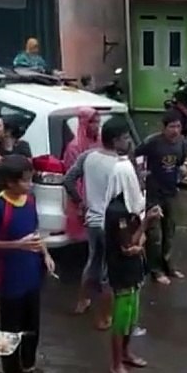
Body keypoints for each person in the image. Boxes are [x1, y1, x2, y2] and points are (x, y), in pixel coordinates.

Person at [0, 154, 55, 373]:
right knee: (9, 330)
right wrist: (17, 245)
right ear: (10, 183)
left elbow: (34, 232)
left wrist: (45, 254)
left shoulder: (31, 201)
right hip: (10, 276)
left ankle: (28, 365)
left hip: (32, 272)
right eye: (25, 180)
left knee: (32, 325)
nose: (30, 184)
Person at [62, 116, 124, 329]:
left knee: (93, 261)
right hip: (111, 223)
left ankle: (82, 302)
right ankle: (104, 318)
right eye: (126, 138)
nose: (128, 142)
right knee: (109, 270)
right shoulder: (121, 165)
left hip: (92, 221)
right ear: (116, 140)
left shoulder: (88, 156)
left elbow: (68, 180)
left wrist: (81, 203)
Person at [103, 157, 160, 373]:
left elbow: (138, 243)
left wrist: (140, 241)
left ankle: (126, 353)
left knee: (132, 316)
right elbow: (128, 247)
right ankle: (116, 364)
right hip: (122, 272)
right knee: (121, 319)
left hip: (135, 269)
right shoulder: (118, 211)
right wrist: (145, 228)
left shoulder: (130, 205)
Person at [132, 111, 187, 285]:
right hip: (154, 194)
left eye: (178, 126)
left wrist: (183, 170)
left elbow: (181, 162)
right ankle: (155, 270)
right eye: (172, 126)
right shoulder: (153, 142)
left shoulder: (181, 143)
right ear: (163, 128)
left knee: (169, 232)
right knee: (154, 234)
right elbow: (133, 154)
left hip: (171, 193)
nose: (175, 130)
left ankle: (168, 266)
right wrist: (139, 174)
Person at [61, 107, 102, 246]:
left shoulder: (101, 142)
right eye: (92, 122)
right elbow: (71, 177)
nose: (96, 126)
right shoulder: (74, 147)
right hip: (82, 197)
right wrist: (81, 201)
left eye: (98, 122)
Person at [0, 116, 33, 193]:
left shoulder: (23, 146)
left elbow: (27, 167)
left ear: (8, 131)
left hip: (17, 191)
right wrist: (15, 162)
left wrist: (1, 160)